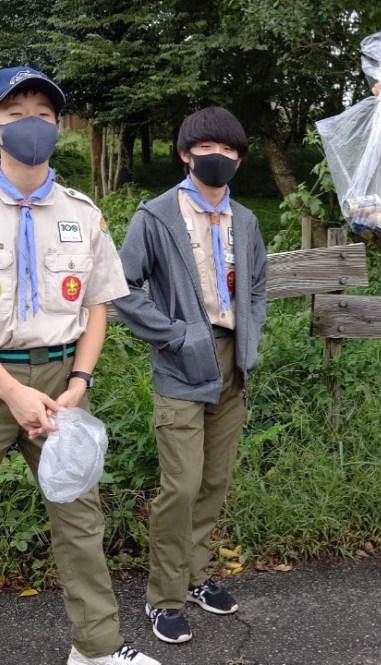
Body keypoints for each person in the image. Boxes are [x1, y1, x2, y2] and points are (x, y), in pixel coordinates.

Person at [0, 66, 159, 665]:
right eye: (15, 114)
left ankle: (96, 648)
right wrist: (11, 391)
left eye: (43, 114)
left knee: (79, 517)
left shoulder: (83, 212)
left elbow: (97, 305)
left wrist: (79, 381)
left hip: (62, 383)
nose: (31, 125)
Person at [113, 106, 268, 644]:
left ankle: (196, 575)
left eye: (229, 150)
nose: (218, 157)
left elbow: (257, 285)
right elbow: (123, 286)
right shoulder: (156, 216)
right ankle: (164, 597)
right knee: (180, 486)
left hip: (232, 362)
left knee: (214, 479)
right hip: (181, 363)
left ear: (239, 160)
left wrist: (251, 336)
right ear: (185, 154)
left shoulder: (245, 220)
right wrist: (175, 335)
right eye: (207, 148)